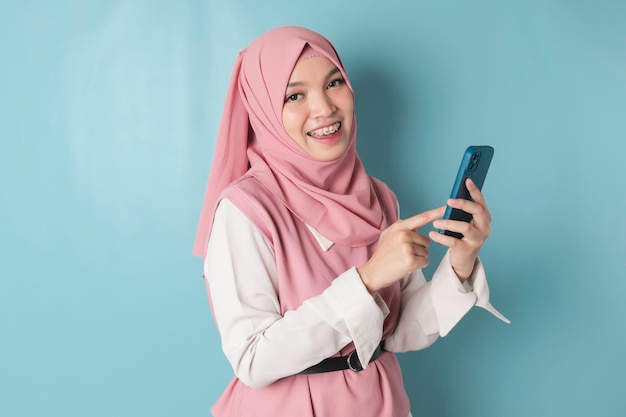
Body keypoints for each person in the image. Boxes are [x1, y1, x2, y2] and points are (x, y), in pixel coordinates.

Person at [193, 25, 509, 417]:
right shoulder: (245, 209)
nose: (325, 109)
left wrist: (460, 263)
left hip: (381, 402)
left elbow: (400, 332)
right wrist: (368, 279)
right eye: (295, 95)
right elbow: (252, 359)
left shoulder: (378, 197)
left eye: (334, 83)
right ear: (262, 110)